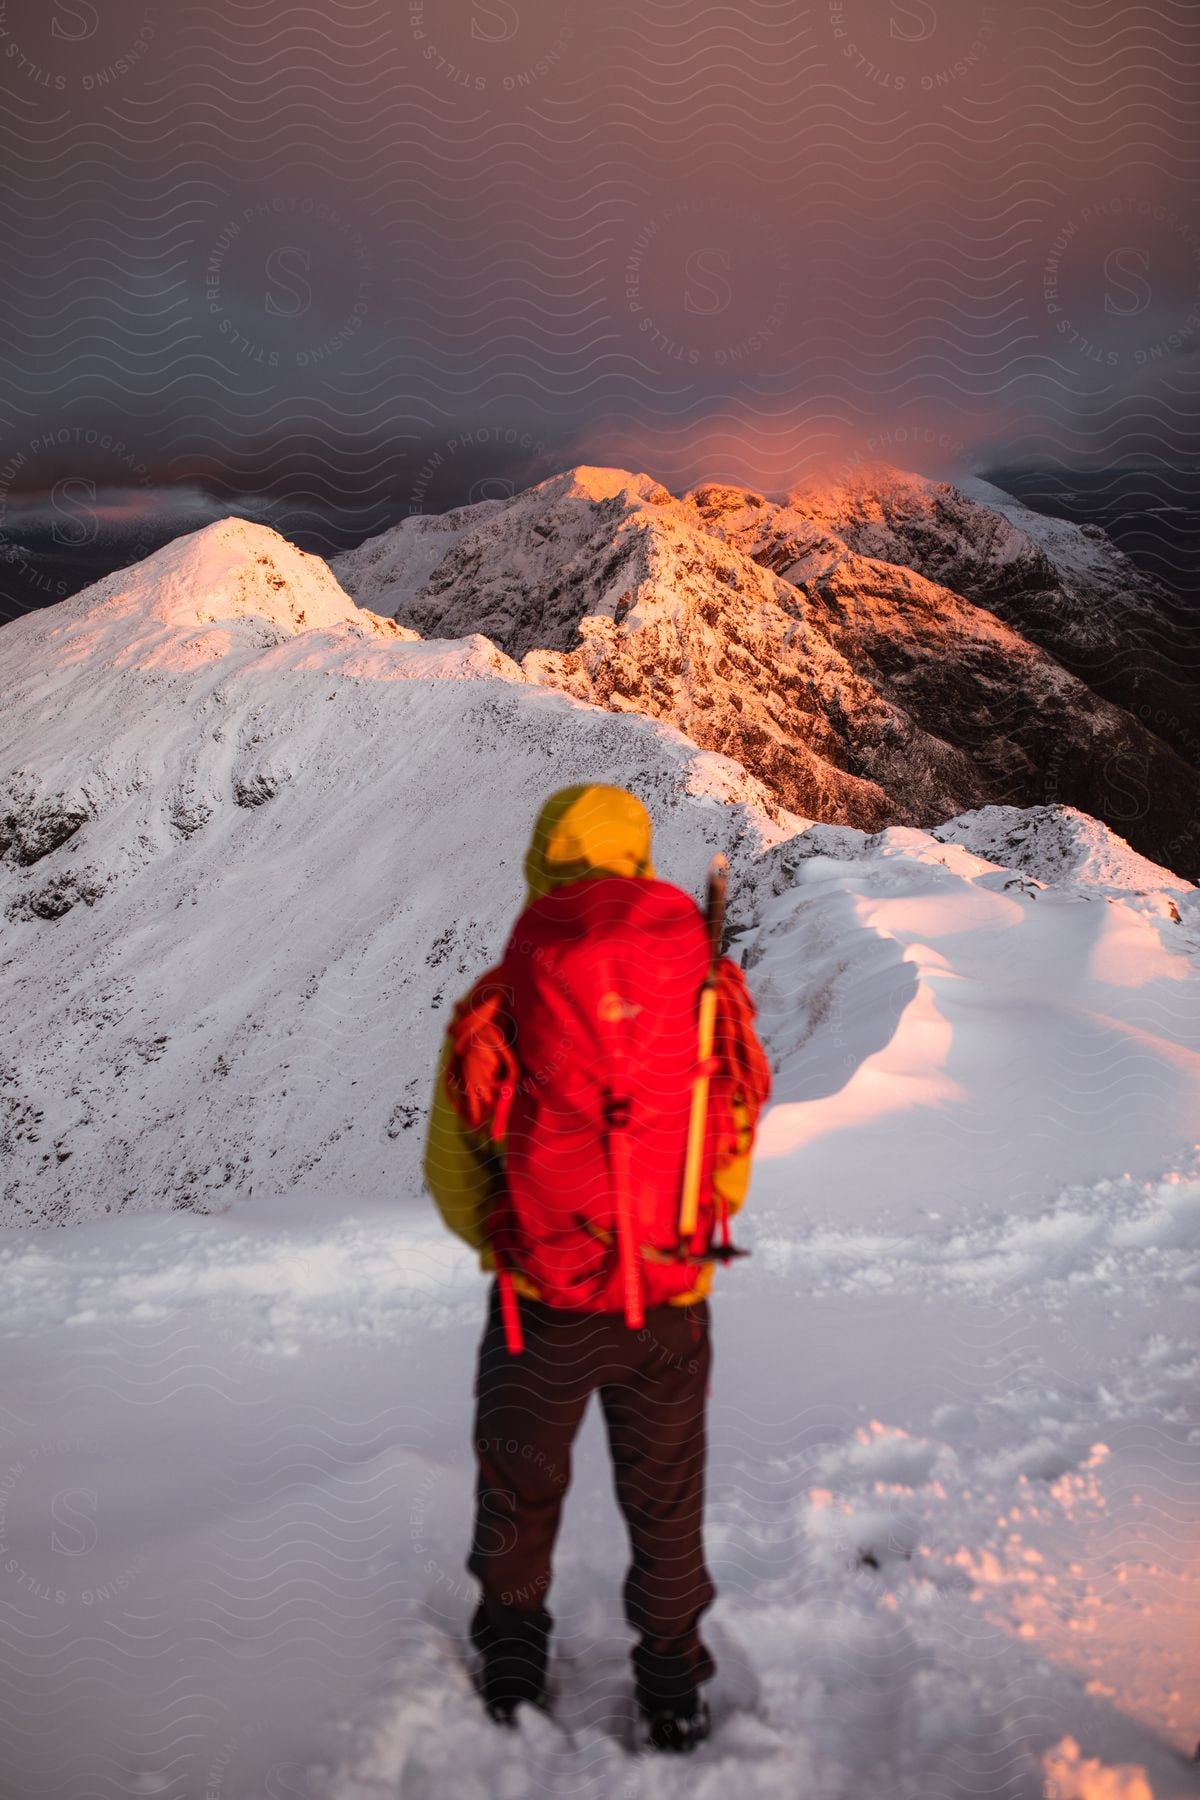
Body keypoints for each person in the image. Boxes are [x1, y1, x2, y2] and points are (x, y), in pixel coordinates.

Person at [423, 784, 771, 1752]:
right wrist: (682, 1235)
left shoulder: (506, 995)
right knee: (665, 1497)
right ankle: (669, 1683)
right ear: (639, 863)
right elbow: (731, 1130)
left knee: (520, 1487)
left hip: (543, 1310)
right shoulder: (702, 986)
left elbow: (454, 1163)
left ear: (543, 862)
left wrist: (512, 1249)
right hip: (669, 1305)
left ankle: (513, 1652)